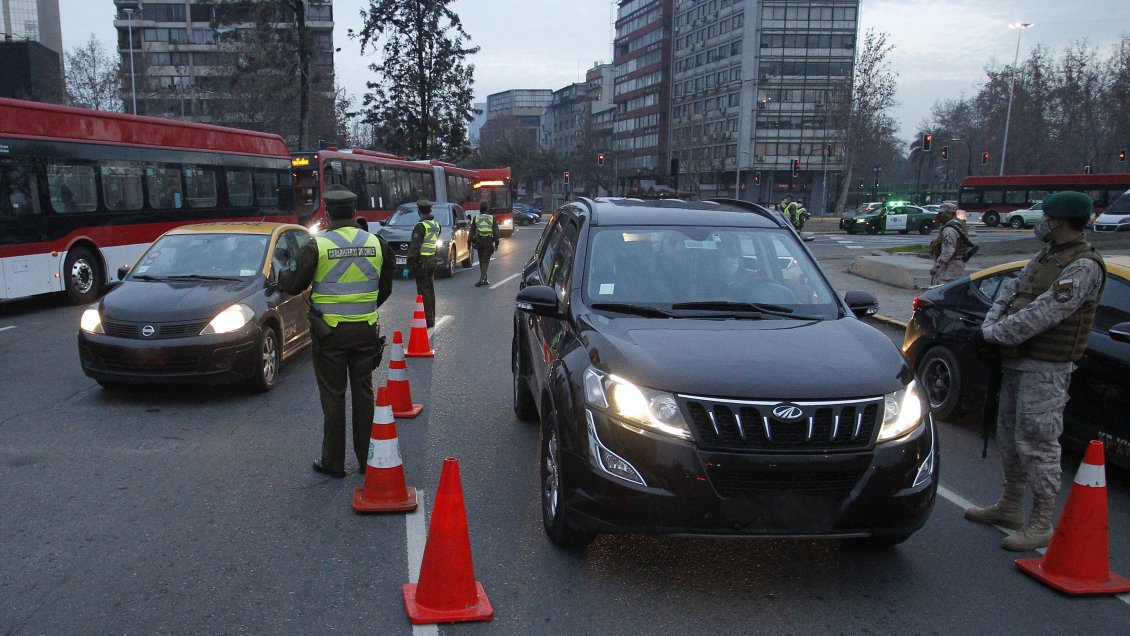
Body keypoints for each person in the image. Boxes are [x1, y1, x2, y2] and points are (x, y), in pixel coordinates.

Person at [964, 191, 1105, 551]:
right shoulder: (1048, 256)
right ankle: (1010, 506)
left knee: (1038, 443)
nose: (1040, 221)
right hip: (1016, 361)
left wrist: (994, 333)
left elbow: (1044, 313)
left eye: (1046, 216)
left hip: (1046, 370)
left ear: (1058, 221)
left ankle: (1041, 521)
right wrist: (990, 328)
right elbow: (1010, 293)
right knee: (1009, 436)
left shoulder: (1083, 266)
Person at [279, 184, 394, 478]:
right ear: (354, 213)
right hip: (366, 330)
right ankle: (368, 459)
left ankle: (333, 462)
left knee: (333, 397)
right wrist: (362, 308)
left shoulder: (318, 246)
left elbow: (293, 285)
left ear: (328, 214)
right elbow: (385, 290)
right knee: (364, 394)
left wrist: (283, 272)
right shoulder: (377, 244)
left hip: (329, 334)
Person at [407, 198, 440, 327]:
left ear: (419, 212)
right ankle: (432, 317)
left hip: (422, 262)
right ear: (430, 210)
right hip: (432, 260)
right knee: (431, 290)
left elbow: (414, 247)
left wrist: (408, 265)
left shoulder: (420, 226)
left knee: (424, 291)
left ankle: (428, 320)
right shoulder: (436, 225)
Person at [929, 202, 968, 286]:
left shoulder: (949, 229)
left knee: (941, 289)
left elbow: (948, 250)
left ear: (949, 213)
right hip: (955, 263)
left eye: (941, 213)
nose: (939, 215)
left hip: (951, 265)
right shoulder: (958, 225)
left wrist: (937, 266)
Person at [471, 205, 500, 287]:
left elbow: (472, 231)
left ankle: (484, 279)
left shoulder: (476, 218)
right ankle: (482, 279)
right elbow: (496, 232)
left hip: (479, 242)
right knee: (485, 260)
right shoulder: (491, 218)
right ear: (487, 209)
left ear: (480, 209)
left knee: (481, 260)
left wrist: (469, 242)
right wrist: (496, 243)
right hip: (488, 242)